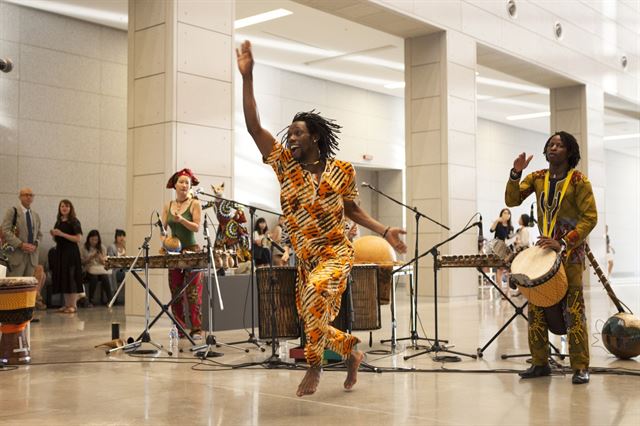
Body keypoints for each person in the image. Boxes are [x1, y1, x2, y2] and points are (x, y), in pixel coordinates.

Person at [237, 40, 407, 397]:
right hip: (306, 257)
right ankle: (351, 350)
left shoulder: (343, 170)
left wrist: (385, 230)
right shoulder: (286, 168)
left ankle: (314, 366)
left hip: (335, 253)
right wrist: (248, 78)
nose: (291, 138)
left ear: (314, 136)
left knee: (315, 294)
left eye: (297, 133)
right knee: (312, 318)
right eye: (289, 134)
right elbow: (254, 128)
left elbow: (352, 211)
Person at [506, 131, 597, 385]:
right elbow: (512, 200)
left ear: (570, 152)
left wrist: (564, 242)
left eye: (559, 145)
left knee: (574, 310)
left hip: (570, 255)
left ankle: (580, 366)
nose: (553, 148)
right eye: (550, 144)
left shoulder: (579, 181)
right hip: (544, 252)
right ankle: (539, 362)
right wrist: (516, 174)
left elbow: (590, 218)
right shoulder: (537, 178)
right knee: (536, 304)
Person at [161, 168, 203, 340]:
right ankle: (179, 327)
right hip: (173, 251)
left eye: (187, 182)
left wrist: (182, 220)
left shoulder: (195, 203)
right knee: (176, 290)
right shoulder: (168, 205)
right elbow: (162, 228)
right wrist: (164, 241)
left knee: (193, 291)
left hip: (191, 250)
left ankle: (196, 328)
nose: (184, 185)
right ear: (175, 185)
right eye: (182, 182)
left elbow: (196, 227)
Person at [1, 188, 46, 309]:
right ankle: (12, 314)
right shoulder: (12, 212)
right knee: (14, 287)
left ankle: (27, 315)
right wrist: (21, 244)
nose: (29, 197)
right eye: (26, 195)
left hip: (31, 257)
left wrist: (35, 244)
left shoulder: (35, 215)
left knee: (28, 288)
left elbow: (40, 234)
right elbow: (5, 231)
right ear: (20, 197)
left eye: (31, 195)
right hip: (17, 256)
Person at [51, 199, 83, 314]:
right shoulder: (58, 222)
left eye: (67, 206)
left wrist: (62, 234)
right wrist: (54, 235)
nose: (64, 208)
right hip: (61, 252)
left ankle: (73, 305)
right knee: (63, 277)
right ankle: (66, 304)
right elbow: (58, 239)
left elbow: (78, 238)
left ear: (70, 208)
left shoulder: (74, 221)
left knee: (71, 278)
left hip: (71, 253)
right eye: (62, 206)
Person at [81, 230, 112, 306]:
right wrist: (91, 257)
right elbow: (82, 262)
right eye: (92, 239)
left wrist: (100, 257)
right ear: (89, 239)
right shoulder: (84, 248)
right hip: (89, 269)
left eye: (96, 240)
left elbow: (105, 262)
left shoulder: (102, 247)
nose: (94, 241)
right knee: (94, 278)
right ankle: (91, 300)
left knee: (105, 277)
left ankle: (110, 299)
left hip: (100, 269)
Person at [489, 208, 514, 290]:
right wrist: (497, 221)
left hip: (508, 250)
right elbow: (491, 230)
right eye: (504, 213)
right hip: (498, 249)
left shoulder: (511, 227)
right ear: (501, 214)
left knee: (509, 270)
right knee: (499, 270)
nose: (506, 214)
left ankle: (508, 290)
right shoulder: (498, 224)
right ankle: (501, 290)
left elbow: (511, 238)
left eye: (508, 213)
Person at [107, 229, 126, 304]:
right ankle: (115, 296)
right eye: (119, 236)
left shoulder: (126, 246)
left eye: (123, 235)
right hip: (116, 269)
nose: (121, 237)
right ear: (116, 237)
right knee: (116, 274)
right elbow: (111, 260)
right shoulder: (111, 247)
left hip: (125, 268)